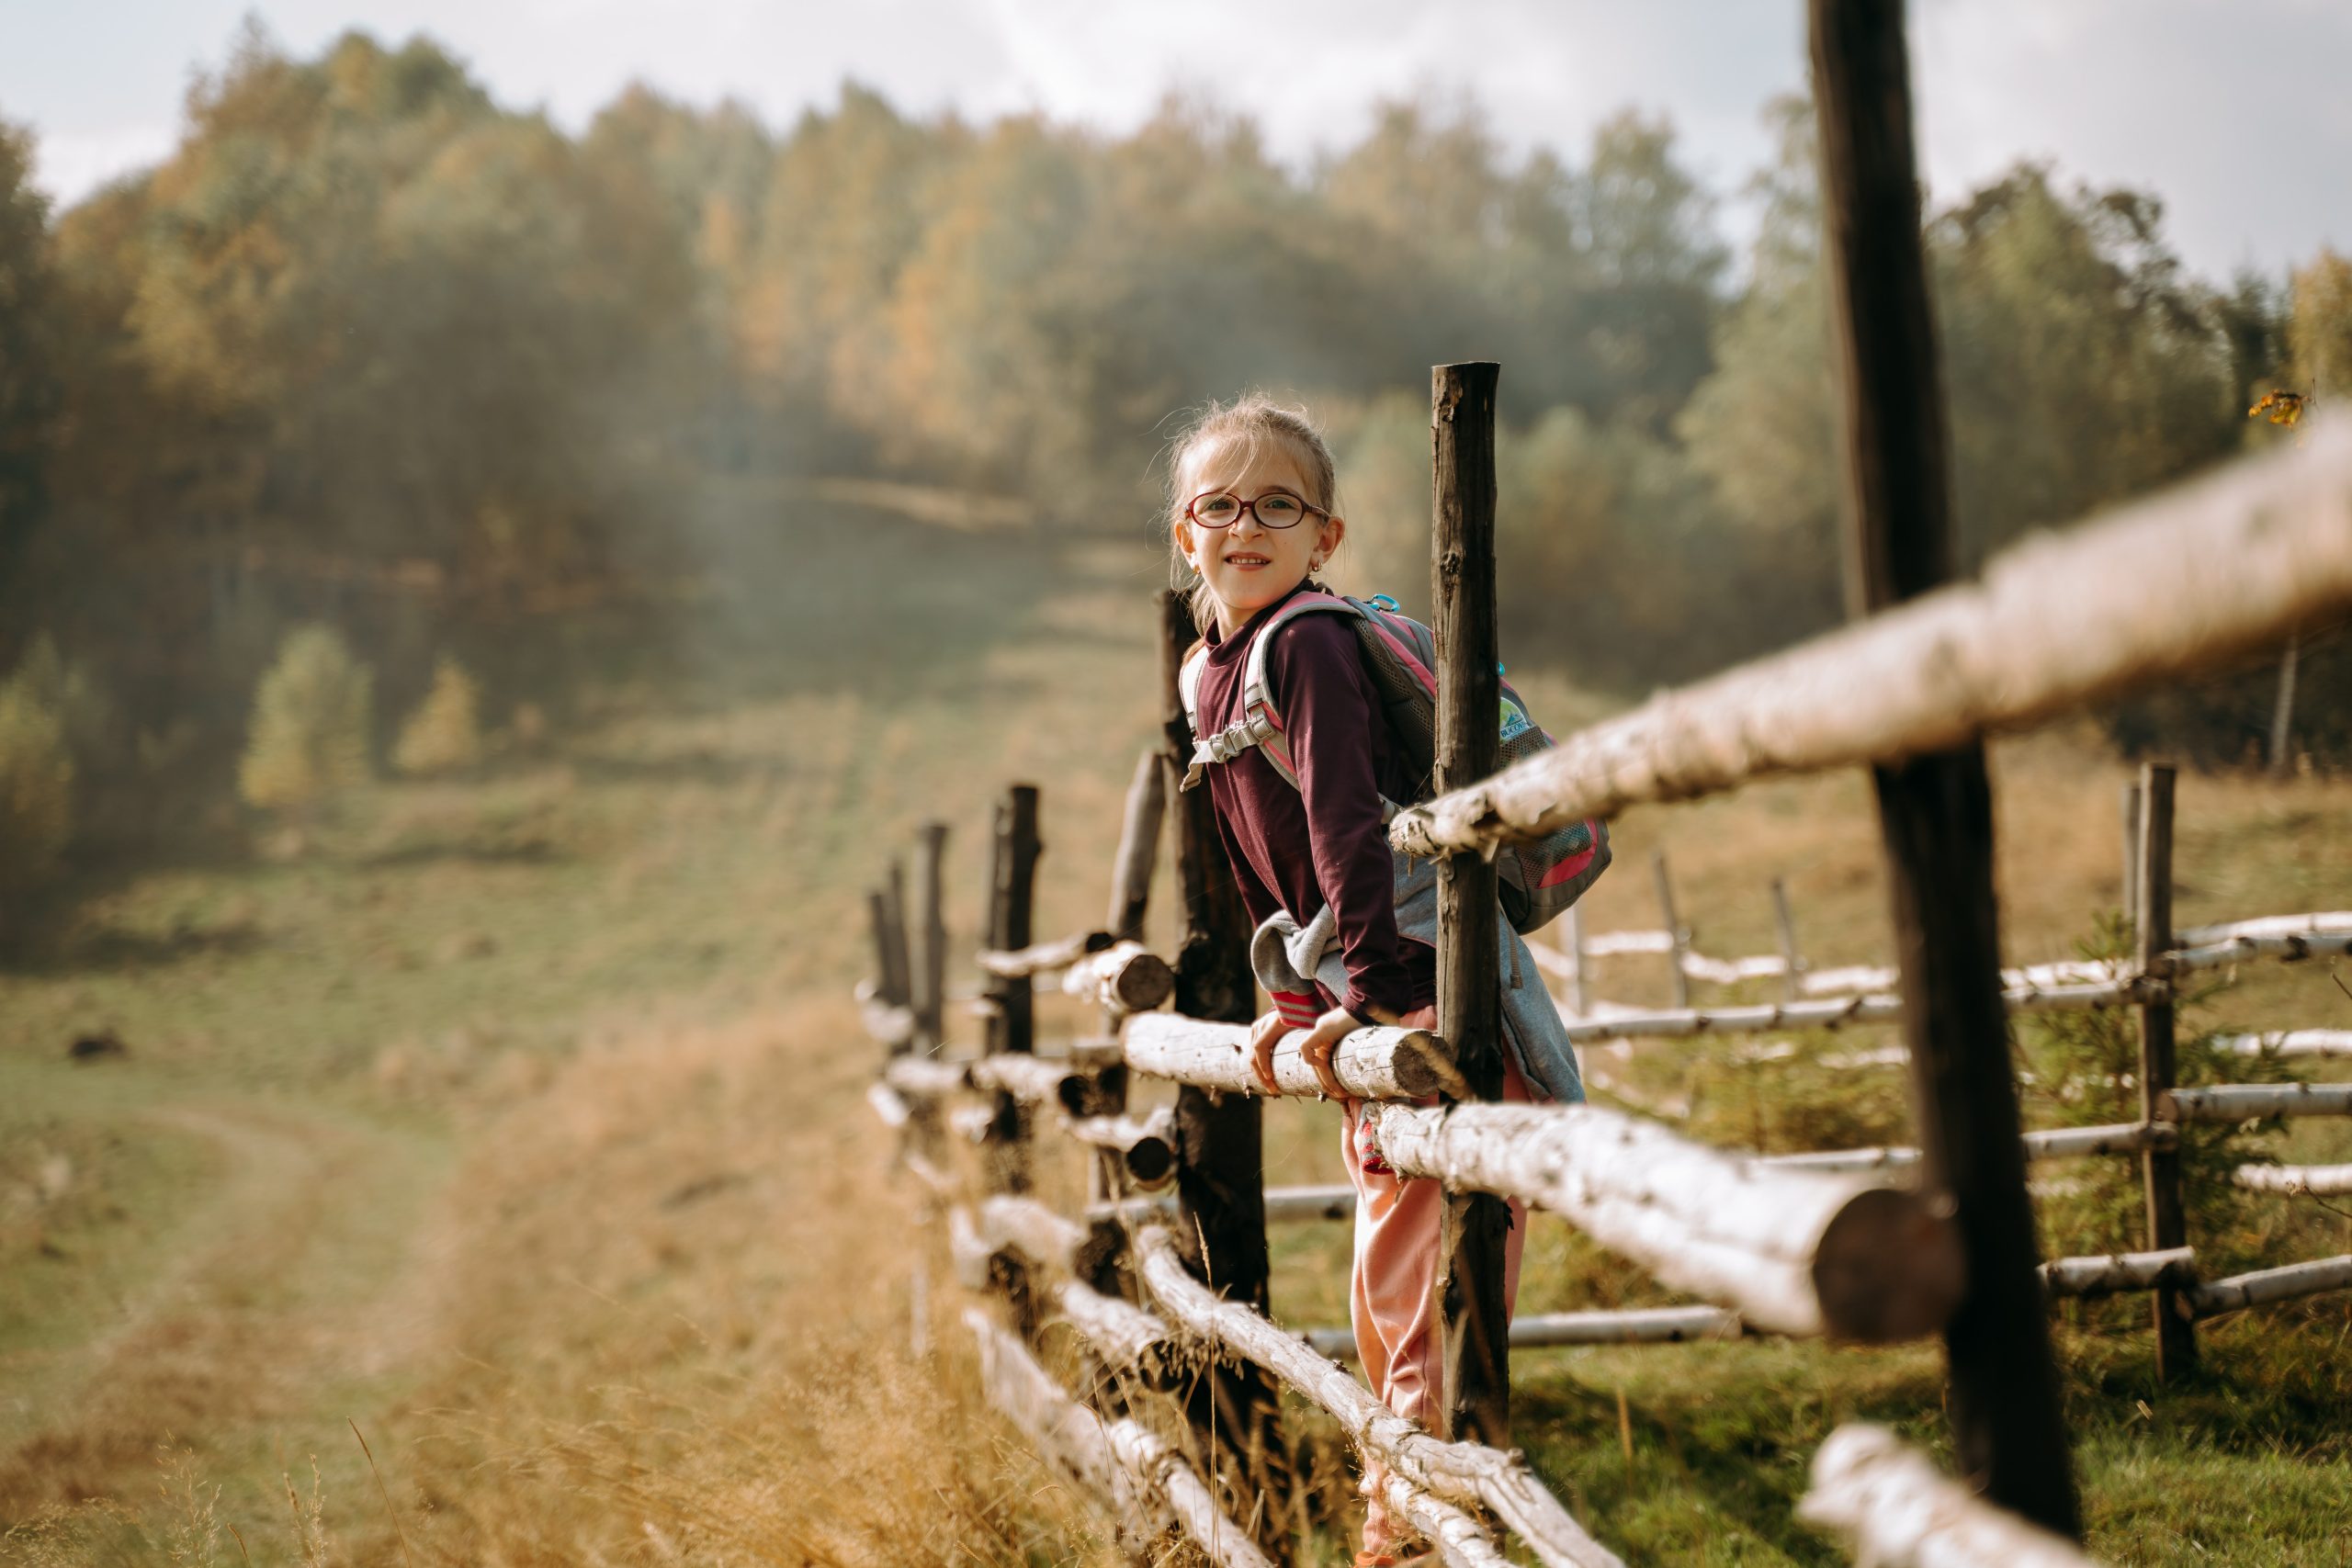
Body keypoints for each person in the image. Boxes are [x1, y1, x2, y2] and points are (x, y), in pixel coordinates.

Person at [1165, 393, 1591, 1568]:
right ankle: (1409, 1498)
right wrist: (1296, 1004)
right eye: (1219, 504)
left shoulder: (1303, 641)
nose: (1245, 523)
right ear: (1182, 531)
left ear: (1326, 538)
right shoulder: (1212, 670)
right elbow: (1258, 850)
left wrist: (1370, 994)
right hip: (1358, 972)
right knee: (1389, 1256)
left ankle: (1407, 1525)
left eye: (1279, 505)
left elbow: (1348, 826)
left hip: (1418, 976)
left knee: (1424, 1271)